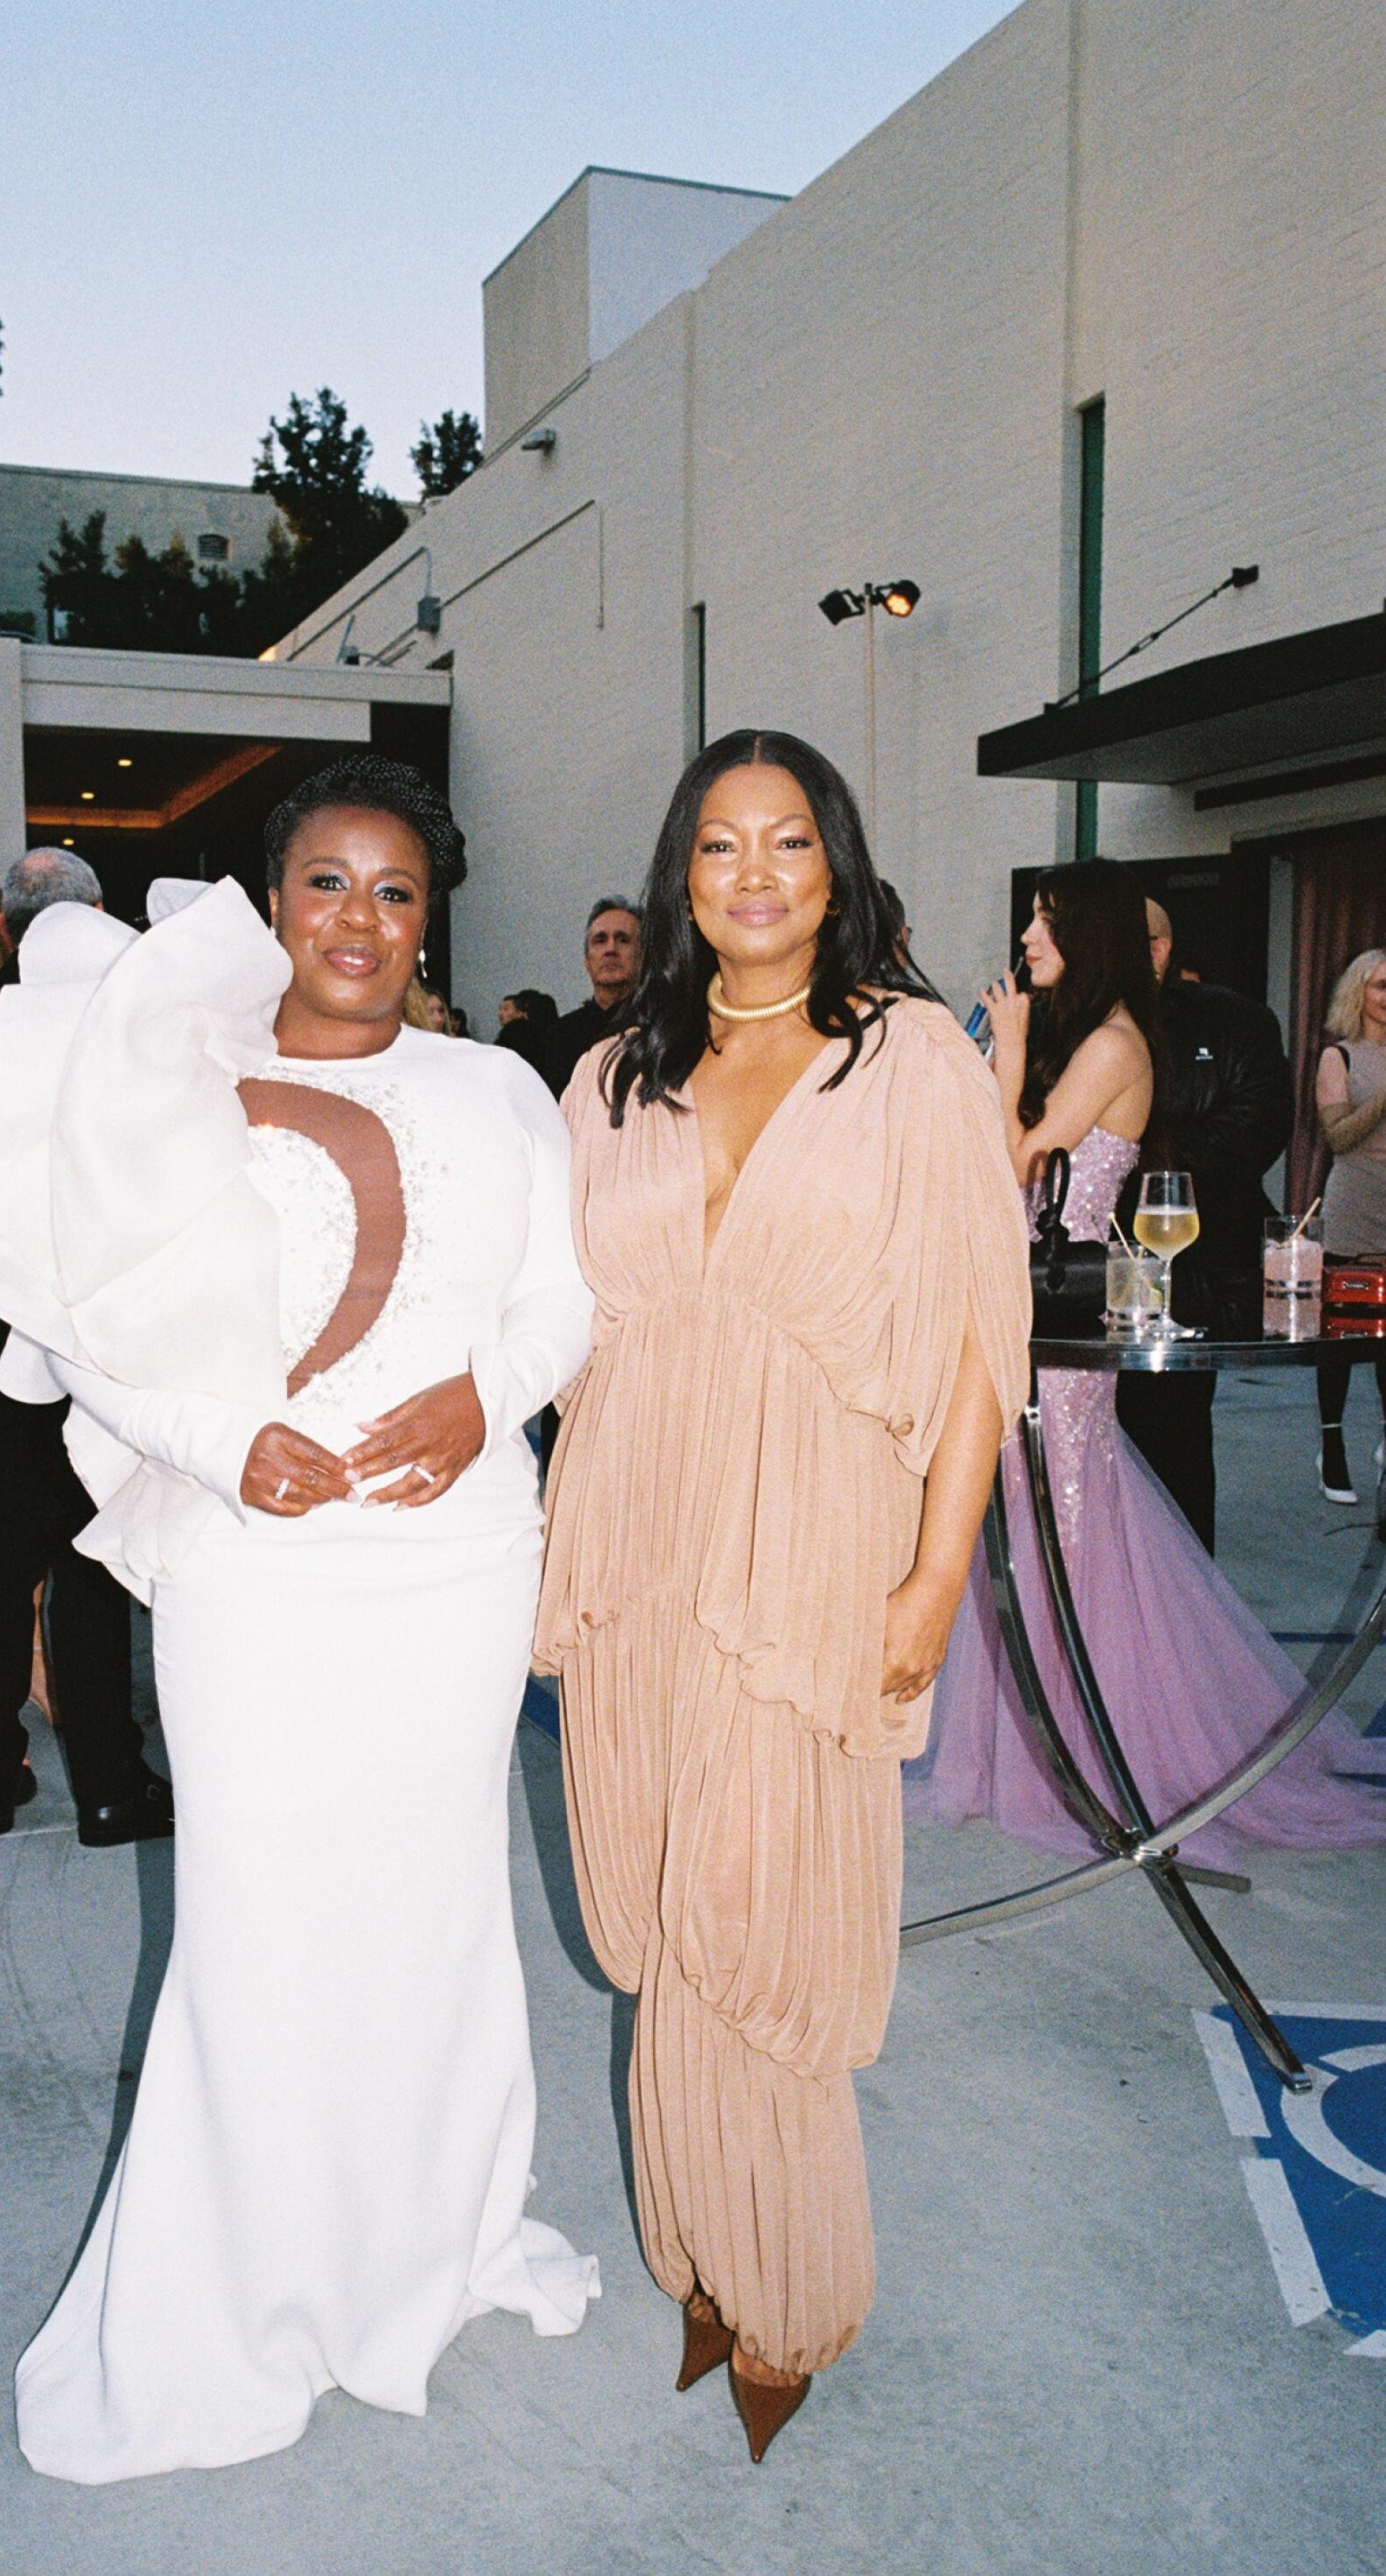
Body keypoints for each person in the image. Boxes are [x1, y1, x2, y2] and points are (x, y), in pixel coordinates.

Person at [0, 755, 598, 2473]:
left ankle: (426, 2238)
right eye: (327, 883)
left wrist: (478, 1402)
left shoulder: (501, 1085)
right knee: (260, 1916)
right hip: (250, 1561)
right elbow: (89, 1333)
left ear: (433, 917)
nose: (359, 918)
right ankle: (249, 2278)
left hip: (454, 1555)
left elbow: (561, 1296)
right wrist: (221, 1437)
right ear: (272, 900)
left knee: (431, 1909)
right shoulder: (176, 1075)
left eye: (397, 889)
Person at [537, 731, 1030, 2459]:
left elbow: (979, 1328)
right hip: (633, 1527)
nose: (755, 873)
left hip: (813, 1535)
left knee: (765, 1913)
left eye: (790, 842)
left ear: (836, 867)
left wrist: (932, 1571)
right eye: (721, 845)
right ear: (681, 872)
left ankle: (793, 2289)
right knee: (664, 1911)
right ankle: (697, 2249)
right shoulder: (603, 1075)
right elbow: (537, 1317)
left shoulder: (911, 1061)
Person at [910, 862, 1386, 1867]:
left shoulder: (1113, 1041)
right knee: (1030, 1510)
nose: (1025, 940)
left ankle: (1088, 1743)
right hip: (1024, 1313)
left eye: (1042, 924)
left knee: (1065, 1514)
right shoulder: (1085, 1035)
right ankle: (1028, 1743)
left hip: (1065, 1313)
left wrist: (1004, 1064)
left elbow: (1020, 1168)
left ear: (1084, 934)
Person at [0, 850, 163, 1846]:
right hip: (108, 1332)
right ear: (98, 912)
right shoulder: (137, 1015)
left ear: (4, 925)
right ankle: (108, 1784)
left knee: (2, 1562)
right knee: (91, 1564)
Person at [1113, 897, 1293, 1547]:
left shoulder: (1235, 1022)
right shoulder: (1058, 1022)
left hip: (1194, 1274)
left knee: (1172, 1447)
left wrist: (1139, 1154)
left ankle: (1178, 1613)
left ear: (1160, 950)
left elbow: (1255, 1131)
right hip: (1075, 1271)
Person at [1311, 949, 1386, 1504]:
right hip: (1356, 1202)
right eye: (1381, 986)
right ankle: (1330, 1444)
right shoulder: (1340, 1056)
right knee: (1341, 1332)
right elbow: (1337, 1137)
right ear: (1358, 993)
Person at [539, 897, 641, 1097]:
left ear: (643, 956)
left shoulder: (664, 1031)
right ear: (587, 961)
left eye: (623, 939)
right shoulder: (559, 1037)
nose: (610, 949)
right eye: (600, 940)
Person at [496, 988, 559, 1076]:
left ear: (521, 1012)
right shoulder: (555, 1032)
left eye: (506, 1009)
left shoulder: (514, 1033)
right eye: (500, 1009)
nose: (501, 1013)